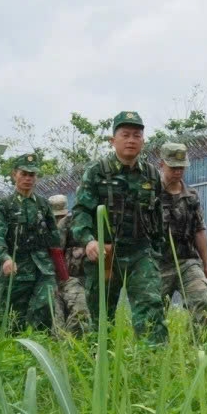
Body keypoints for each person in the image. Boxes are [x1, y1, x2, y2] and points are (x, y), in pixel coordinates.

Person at [69, 111, 168, 344]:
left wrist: (156, 251)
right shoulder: (96, 172)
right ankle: (99, 367)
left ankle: (151, 366)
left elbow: (157, 216)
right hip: (105, 255)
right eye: (125, 134)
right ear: (113, 140)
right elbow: (81, 211)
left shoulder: (152, 175)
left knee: (151, 307)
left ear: (143, 140)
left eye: (137, 135)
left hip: (140, 253)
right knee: (100, 316)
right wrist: (89, 240)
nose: (131, 140)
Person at [0, 154, 59, 332]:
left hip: (42, 267)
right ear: (14, 174)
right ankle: (13, 355)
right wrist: (5, 258)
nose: (28, 179)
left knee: (46, 308)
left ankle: (41, 349)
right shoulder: (4, 205)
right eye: (24, 174)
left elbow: (54, 238)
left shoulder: (43, 204)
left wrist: (60, 268)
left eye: (32, 175)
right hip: (16, 268)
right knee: (12, 319)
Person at [157, 142, 207, 336]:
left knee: (203, 300)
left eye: (181, 167)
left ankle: (196, 349)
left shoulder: (191, 196)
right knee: (153, 311)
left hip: (187, 262)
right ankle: (154, 354)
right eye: (173, 167)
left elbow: (199, 230)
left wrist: (206, 265)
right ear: (161, 164)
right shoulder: (150, 195)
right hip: (158, 264)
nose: (177, 172)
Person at [49, 194, 91, 337]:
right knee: (57, 322)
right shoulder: (44, 229)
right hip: (54, 281)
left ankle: (75, 346)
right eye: (55, 217)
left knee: (80, 311)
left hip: (73, 279)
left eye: (61, 216)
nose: (59, 221)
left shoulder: (75, 225)